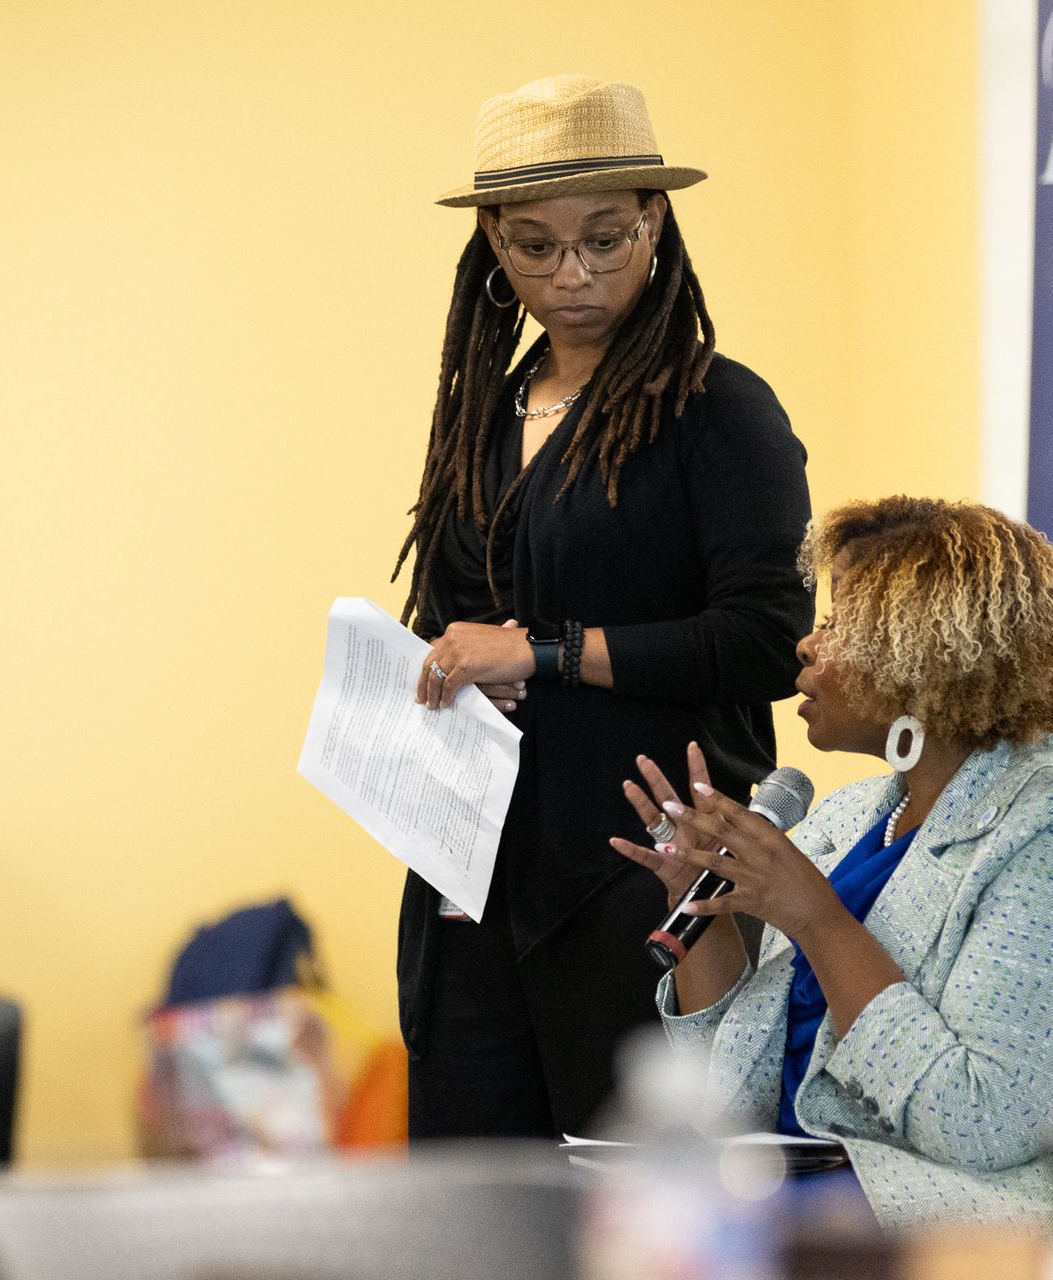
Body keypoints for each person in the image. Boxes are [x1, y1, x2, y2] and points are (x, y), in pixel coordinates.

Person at [393, 75, 812, 1140]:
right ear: (492, 237)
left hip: (641, 873)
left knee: (630, 1210)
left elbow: (768, 637)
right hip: (473, 871)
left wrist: (542, 651)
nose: (570, 273)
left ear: (655, 221)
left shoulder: (718, 410)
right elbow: (450, 615)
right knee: (473, 1217)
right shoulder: (482, 413)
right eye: (534, 245)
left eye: (604, 239)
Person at [609, 497, 1053, 1230]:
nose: (806, 645)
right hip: (795, 1190)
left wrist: (816, 918)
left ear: (928, 655)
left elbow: (983, 1123)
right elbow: (734, 1101)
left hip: (978, 1213)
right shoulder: (844, 818)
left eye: (837, 626)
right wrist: (702, 909)